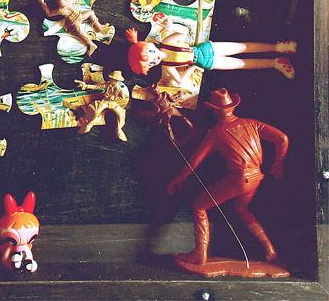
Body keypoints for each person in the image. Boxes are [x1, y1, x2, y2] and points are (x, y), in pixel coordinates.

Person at [167, 88, 287, 265]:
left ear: (214, 110)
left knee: (199, 207)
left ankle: (200, 253)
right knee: (241, 210)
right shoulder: (251, 123)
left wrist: (179, 179)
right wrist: (278, 163)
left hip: (239, 179)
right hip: (256, 177)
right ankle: (270, 250)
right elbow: (282, 138)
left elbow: (195, 160)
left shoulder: (216, 133)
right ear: (232, 107)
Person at [126, 21, 296, 85]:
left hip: (207, 49)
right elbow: (180, 81)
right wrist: (194, 67)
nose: (154, 58)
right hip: (206, 63)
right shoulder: (167, 67)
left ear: (150, 44)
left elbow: (184, 31)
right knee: (241, 64)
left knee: (243, 47)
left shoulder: (166, 43)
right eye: (150, 63)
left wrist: (171, 27)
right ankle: (276, 63)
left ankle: (278, 47)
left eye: (150, 52)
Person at [37, 0, 110, 56]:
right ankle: (91, 44)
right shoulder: (60, 10)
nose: (64, 4)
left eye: (63, 1)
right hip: (74, 22)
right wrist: (42, 3)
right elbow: (49, 14)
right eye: (61, 3)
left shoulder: (67, 3)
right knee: (80, 33)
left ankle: (99, 27)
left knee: (90, 12)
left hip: (79, 16)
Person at [73, 70, 129, 141]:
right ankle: (88, 124)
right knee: (95, 110)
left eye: (112, 79)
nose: (110, 79)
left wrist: (114, 98)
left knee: (120, 115)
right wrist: (86, 86)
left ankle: (119, 130)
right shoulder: (106, 84)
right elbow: (96, 87)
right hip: (104, 101)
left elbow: (122, 97)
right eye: (110, 78)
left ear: (116, 81)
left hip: (113, 103)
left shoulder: (119, 89)